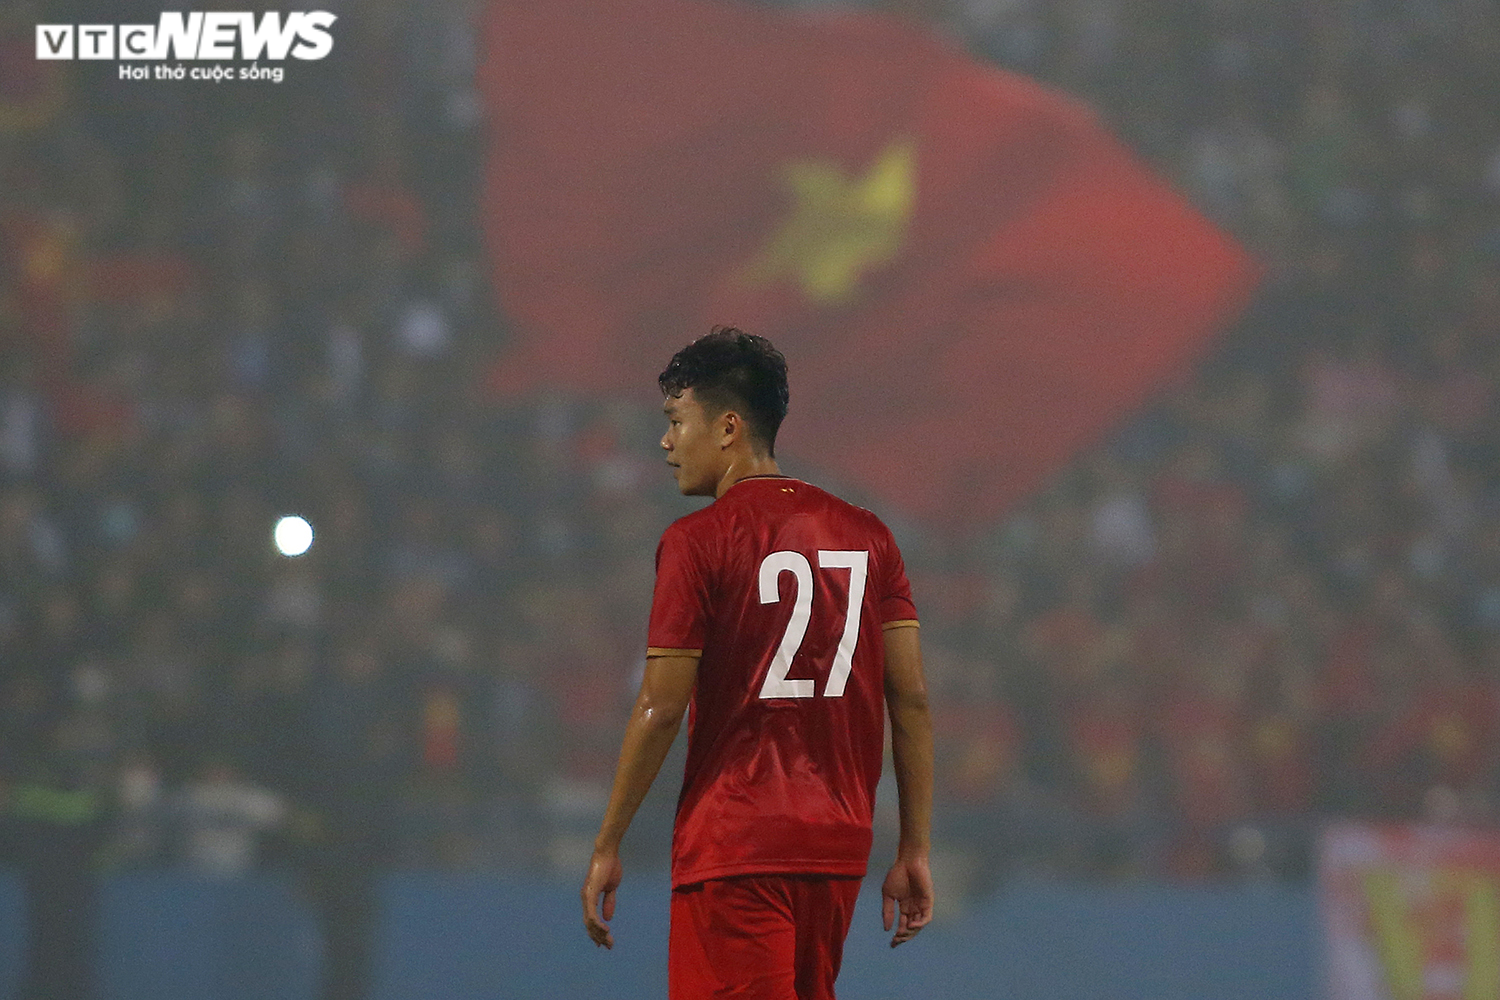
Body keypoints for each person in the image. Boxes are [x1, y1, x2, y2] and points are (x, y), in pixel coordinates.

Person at [581, 327, 935, 999]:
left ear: (728, 428)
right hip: (836, 845)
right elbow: (910, 697)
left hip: (736, 841)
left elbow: (660, 706)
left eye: (675, 421)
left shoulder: (696, 542)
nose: (665, 442)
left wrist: (608, 841)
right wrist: (913, 845)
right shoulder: (870, 536)